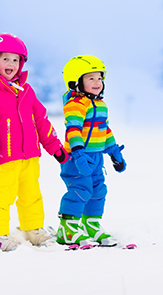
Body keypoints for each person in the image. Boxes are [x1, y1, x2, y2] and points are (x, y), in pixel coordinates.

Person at [0, 33, 68, 251]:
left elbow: (41, 120)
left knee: (31, 194)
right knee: (2, 195)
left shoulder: (25, 91)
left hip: (29, 156)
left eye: (16, 60)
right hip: (3, 157)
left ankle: (32, 229)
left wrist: (54, 147)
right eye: (6, 59)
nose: (11, 64)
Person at [55, 55, 127, 248]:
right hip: (76, 157)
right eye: (91, 78)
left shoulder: (101, 105)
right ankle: (67, 228)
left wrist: (114, 152)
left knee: (98, 190)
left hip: (95, 158)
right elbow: (73, 129)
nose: (98, 83)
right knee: (80, 189)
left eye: (100, 78)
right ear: (76, 81)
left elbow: (105, 130)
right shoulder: (75, 105)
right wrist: (78, 153)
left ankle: (90, 225)